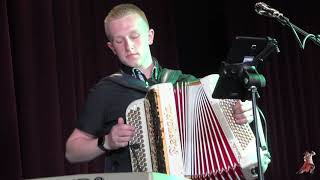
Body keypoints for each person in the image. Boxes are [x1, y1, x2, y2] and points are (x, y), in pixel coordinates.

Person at [65, 3, 254, 172]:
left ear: (150, 36)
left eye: (134, 36)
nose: (129, 46)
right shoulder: (106, 90)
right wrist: (107, 142)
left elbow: (225, 124)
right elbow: (72, 151)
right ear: (112, 48)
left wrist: (242, 114)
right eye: (119, 40)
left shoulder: (186, 82)